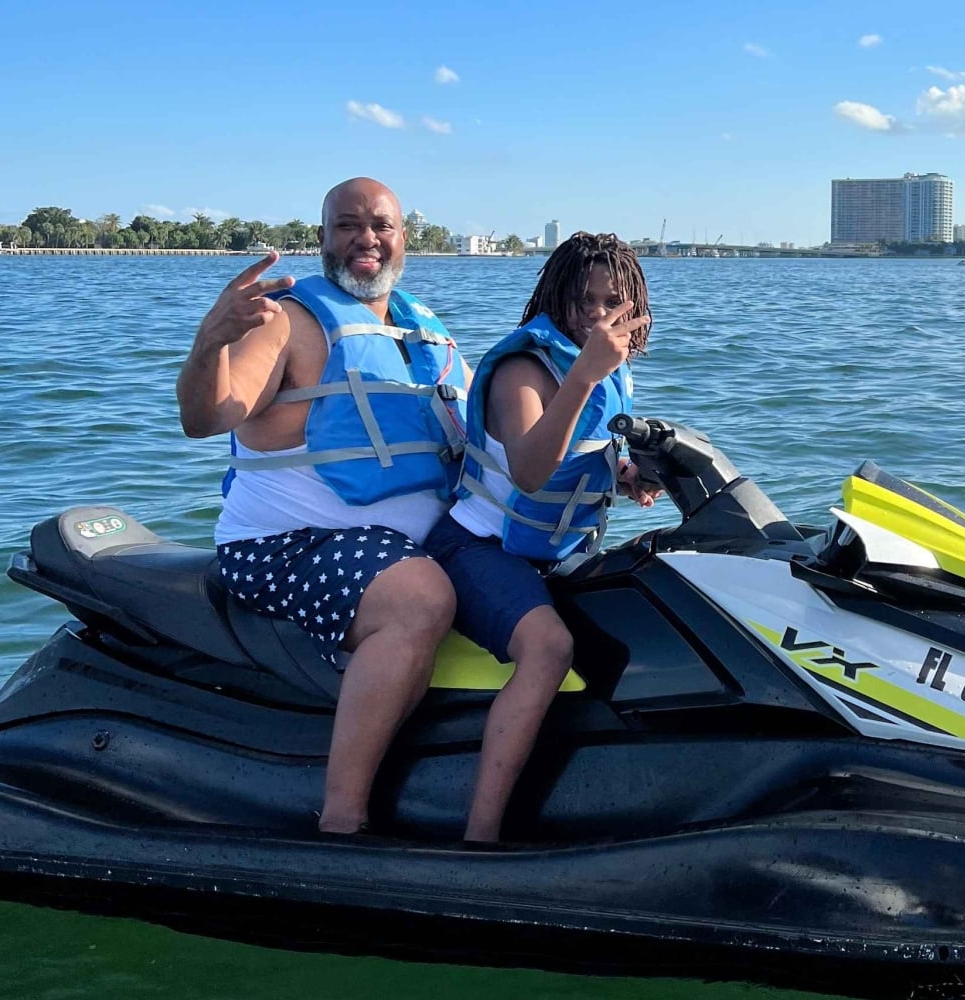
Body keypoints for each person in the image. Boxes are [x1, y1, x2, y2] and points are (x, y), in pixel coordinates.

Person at [176, 177, 468, 835]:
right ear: (322, 238)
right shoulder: (283, 321)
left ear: (404, 238)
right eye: (348, 225)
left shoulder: (423, 330)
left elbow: (487, 434)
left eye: (382, 225)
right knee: (420, 600)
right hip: (284, 544)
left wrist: (609, 465)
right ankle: (342, 818)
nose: (367, 238)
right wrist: (211, 342)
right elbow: (206, 417)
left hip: (413, 542)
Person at [424, 231, 658, 843]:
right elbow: (529, 472)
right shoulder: (524, 372)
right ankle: (481, 836)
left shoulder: (605, 371)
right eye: (585, 301)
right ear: (557, 299)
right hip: (476, 548)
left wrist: (626, 474)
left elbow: (580, 450)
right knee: (549, 648)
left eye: (614, 303)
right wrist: (583, 375)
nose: (599, 317)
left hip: (553, 555)